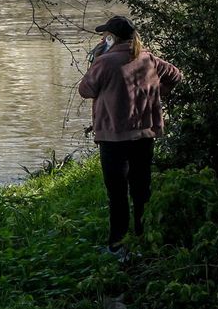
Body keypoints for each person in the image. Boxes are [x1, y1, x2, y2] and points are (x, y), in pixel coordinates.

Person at [78, 14, 183, 257]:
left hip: (114, 138)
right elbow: (176, 75)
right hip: (144, 136)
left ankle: (117, 245)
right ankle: (143, 238)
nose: (104, 38)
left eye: (105, 35)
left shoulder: (105, 62)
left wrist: (96, 59)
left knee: (117, 194)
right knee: (141, 189)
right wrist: (156, 93)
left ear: (111, 38)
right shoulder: (147, 58)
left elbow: (86, 89)